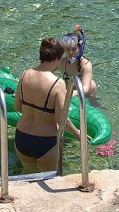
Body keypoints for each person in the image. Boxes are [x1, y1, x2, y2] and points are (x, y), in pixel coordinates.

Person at [13, 36, 85, 174]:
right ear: (57, 58)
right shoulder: (57, 83)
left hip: (21, 137)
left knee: (28, 175)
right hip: (45, 141)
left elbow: (17, 107)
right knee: (51, 181)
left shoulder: (25, 74)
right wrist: (77, 133)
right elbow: (61, 120)